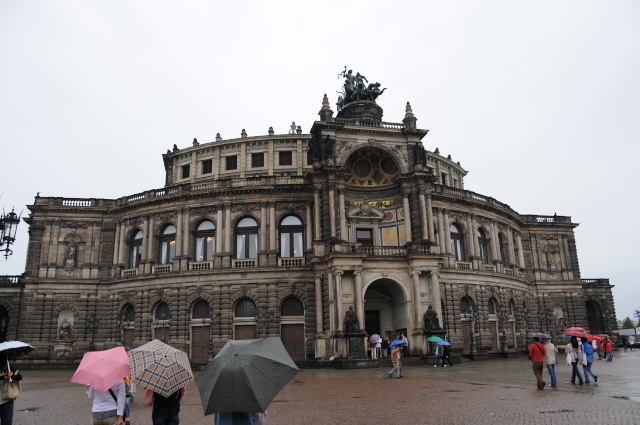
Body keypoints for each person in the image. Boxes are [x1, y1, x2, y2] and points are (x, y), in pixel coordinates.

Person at [0, 358, 23, 425]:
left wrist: (12, 376)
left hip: (7, 400)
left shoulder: (9, 369)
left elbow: (20, 377)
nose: (2, 369)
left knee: (7, 422)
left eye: (3, 368)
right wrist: (3, 377)